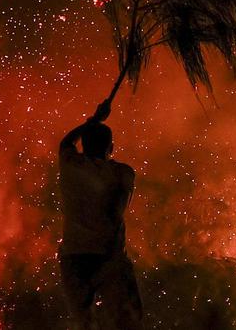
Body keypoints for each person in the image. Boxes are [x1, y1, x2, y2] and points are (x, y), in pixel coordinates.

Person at [58, 98, 142, 329]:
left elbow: (66, 142)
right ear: (111, 148)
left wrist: (93, 120)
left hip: (74, 256)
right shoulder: (122, 174)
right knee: (129, 319)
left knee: (82, 322)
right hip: (109, 256)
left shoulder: (71, 166)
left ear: (83, 146)